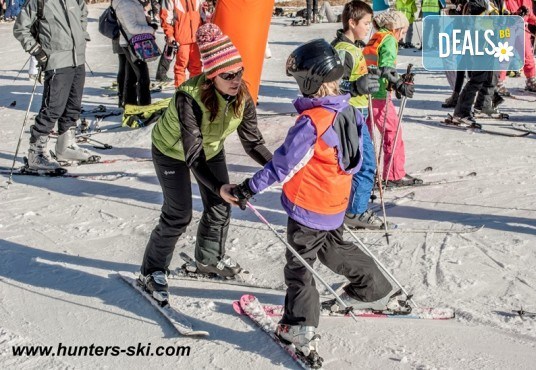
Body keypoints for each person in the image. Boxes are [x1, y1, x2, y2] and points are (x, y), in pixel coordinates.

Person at [228, 39, 408, 364]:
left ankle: (300, 326)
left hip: (308, 207)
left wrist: (248, 189)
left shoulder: (311, 123)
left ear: (309, 82)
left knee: (300, 266)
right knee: (335, 249)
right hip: (334, 203)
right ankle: (374, 289)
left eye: (299, 81)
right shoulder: (349, 110)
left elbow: (283, 165)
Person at [139, 23, 273, 303]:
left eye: (239, 72)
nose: (236, 80)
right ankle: (151, 271)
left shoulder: (242, 96)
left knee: (220, 205)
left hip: (211, 149)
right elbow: (193, 155)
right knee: (179, 214)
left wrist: (280, 167)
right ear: (212, 76)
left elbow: (253, 142)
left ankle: (208, 260)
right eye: (228, 75)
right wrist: (218, 185)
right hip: (172, 152)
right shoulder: (188, 98)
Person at [13, 0, 96, 171]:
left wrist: (82, 35)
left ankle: (65, 147)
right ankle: (36, 154)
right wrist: (37, 51)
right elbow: (21, 28)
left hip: (78, 58)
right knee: (53, 108)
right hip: (57, 59)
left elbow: (82, 13)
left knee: (73, 106)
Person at [330, 1, 387, 230]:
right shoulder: (343, 50)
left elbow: (358, 74)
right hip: (349, 112)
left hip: (358, 111)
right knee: (365, 164)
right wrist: (354, 87)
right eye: (365, 23)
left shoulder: (354, 47)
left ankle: (354, 203)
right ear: (352, 23)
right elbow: (333, 84)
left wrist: (381, 74)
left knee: (361, 162)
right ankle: (355, 211)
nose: (368, 28)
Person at [363, 10, 420, 187]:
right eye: (402, 33)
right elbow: (386, 68)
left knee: (366, 134)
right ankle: (393, 174)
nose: (402, 37)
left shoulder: (377, 36)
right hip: (379, 94)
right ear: (396, 28)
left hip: (368, 90)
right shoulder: (388, 39)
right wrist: (398, 83)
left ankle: (363, 171)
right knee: (392, 132)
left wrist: (396, 81)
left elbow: (378, 65)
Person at [113, 0, 156, 106]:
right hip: (132, 43)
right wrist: (150, 29)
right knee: (143, 76)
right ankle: (144, 106)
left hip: (134, 42)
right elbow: (132, 28)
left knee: (131, 75)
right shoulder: (125, 4)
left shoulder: (131, 2)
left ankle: (129, 103)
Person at [497, 0, 536, 95]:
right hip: (508, 28)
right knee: (504, 55)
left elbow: (529, 15)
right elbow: (502, 13)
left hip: (522, 28)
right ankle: (498, 82)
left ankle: (531, 80)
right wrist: (516, 14)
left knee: (528, 55)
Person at [159, 0, 203, 87]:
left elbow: (203, 15)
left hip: (197, 38)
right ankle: (180, 92)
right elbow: (166, 17)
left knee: (197, 66)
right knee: (181, 67)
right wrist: (169, 35)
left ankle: (195, 90)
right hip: (181, 39)